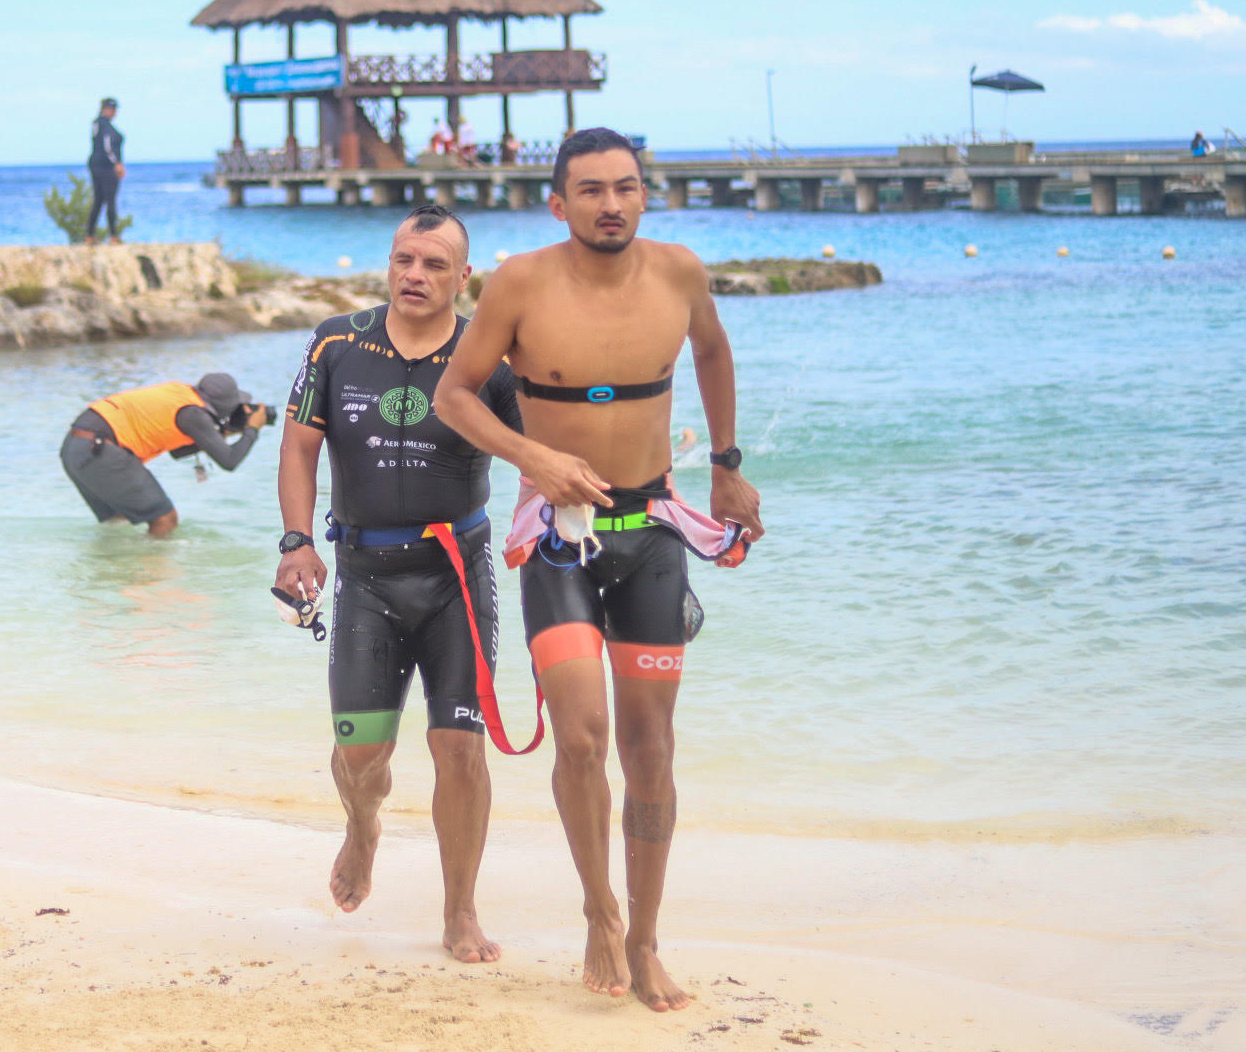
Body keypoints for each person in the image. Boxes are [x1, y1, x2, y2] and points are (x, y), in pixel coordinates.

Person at [435, 126, 762, 1014]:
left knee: (650, 750)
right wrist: (532, 458)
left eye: (625, 187)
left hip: (650, 534)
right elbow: (454, 396)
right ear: (558, 203)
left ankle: (647, 941)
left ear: (643, 194)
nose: (611, 204)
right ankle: (599, 910)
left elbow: (712, 351)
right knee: (580, 739)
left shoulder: (680, 274)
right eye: (591, 190)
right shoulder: (519, 284)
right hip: (560, 541)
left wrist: (725, 463)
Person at [276, 204, 522, 962]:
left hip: (456, 578)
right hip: (365, 581)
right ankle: (362, 827)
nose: (415, 275)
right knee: (360, 755)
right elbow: (298, 447)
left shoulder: (489, 360)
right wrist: (296, 542)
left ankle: (460, 911)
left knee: (460, 749)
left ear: (463, 277)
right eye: (403, 259)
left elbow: (539, 453)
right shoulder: (336, 343)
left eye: (434, 264)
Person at [61, 373, 270, 539]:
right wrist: (253, 428)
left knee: (119, 522)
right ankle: (153, 571)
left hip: (76, 447)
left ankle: (115, 570)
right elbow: (230, 461)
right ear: (225, 405)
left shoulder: (182, 396)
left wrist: (221, 434)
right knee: (165, 519)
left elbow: (178, 451)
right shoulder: (193, 413)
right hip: (99, 448)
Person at [87, 98, 126, 242]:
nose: (115, 112)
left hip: (95, 164)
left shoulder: (97, 124)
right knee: (109, 200)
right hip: (106, 167)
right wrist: (117, 163)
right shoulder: (104, 125)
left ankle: (90, 234)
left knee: (98, 200)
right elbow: (107, 146)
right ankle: (113, 235)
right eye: (113, 109)